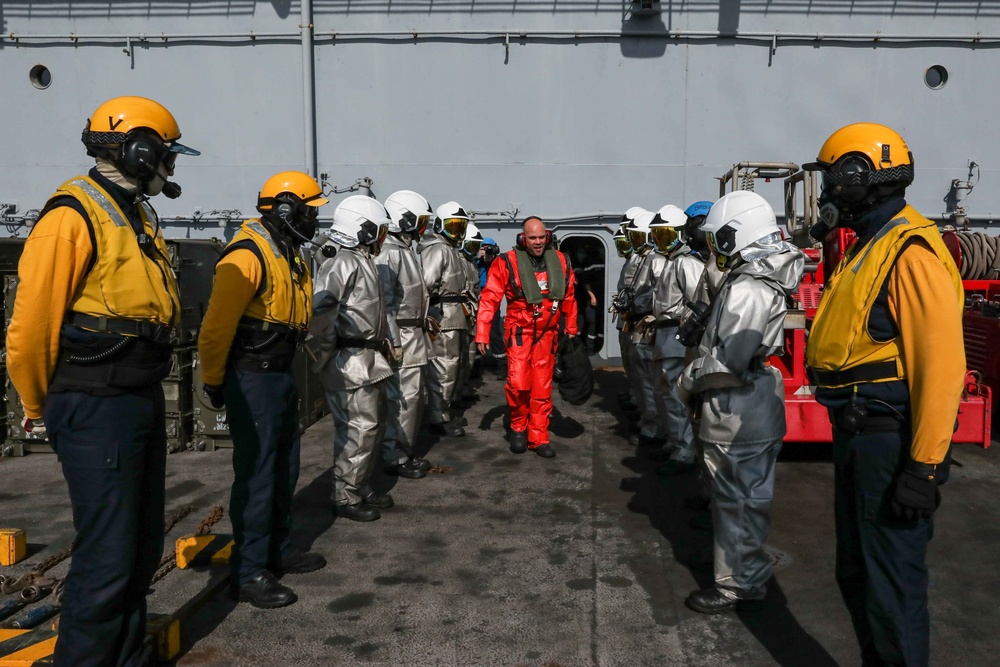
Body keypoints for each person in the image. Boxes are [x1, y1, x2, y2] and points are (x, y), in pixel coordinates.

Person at [6, 96, 198, 665]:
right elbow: (31, 325)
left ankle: (126, 656)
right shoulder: (72, 215)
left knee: (139, 550)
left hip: (133, 395)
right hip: (92, 401)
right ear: (139, 151)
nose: (170, 166)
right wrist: (39, 404)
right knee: (108, 556)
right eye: (165, 154)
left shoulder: (135, 212)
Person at [803, 123, 965, 666]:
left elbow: (940, 367)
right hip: (856, 434)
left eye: (832, 179)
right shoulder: (869, 246)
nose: (827, 192)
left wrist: (923, 470)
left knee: (891, 585)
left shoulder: (909, 251)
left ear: (857, 176)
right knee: (858, 575)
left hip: (886, 441)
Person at [199, 171, 329, 609]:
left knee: (283, 469)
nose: (315, 220)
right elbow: (216, 328)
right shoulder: (248, 254)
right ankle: (250, 569)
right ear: (287, 209)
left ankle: (278, 549)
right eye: (311, 211)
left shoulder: (285, 252)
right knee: (257, 475)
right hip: (252, 377)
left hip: (278, 375)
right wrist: (214, 381)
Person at [678, 190, 804, 614]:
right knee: (738, 499)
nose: (714, 250)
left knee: (741, 501)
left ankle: (740, 583)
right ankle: (735, 568)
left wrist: (687, 380)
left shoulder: (748, 288)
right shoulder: (758, 279)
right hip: (748, 405)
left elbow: (726, 361)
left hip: (738, 410)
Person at [312, 195, 395, 522]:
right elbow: (321, 313)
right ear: (364, 230)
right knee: (357, 429)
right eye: (379, 230)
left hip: (366, 359)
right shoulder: (342, 262)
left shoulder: (359, 261)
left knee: (371, 426)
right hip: (351, 360)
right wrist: (331, 350)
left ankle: (359, 485)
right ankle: (345, 494)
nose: (382, 237)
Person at [475, 216, 578, 457]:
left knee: (542, 387)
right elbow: (490, 298)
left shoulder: (561, 261)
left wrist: (571, 330)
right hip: (519, 331)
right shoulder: (506, 262)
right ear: (523, 239)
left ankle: (539, 437)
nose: (538, 242)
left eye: (542, 237)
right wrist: (482, 332)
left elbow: (570, 297)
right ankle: (518, 428)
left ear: (548, 237)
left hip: (548, 333)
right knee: (519, 383)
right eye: (533, 238)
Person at [375, 190, 436, 480]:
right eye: (420, 221)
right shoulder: (389, 252)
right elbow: (384, 302)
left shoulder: (402, 250)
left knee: (412, 398)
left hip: (413, 335)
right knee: (405, 400)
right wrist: (394, 343)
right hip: (404, 337)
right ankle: (396, 456)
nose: (423, 227)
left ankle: (401, 451)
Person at [649, 204, 700, 475]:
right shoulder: (671, 261)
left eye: (665, 235)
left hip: (676, 334)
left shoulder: (686, 263)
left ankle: (685, 450)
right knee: (664, 393)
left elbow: (698, 302)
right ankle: (674, 442)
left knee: (676, 394)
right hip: (664, 332)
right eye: (657, 236)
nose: (660, 242)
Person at [419, 201, 471, 437]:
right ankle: (437, 417)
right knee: (444, 368)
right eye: (453, 226)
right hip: (444, 317)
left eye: (461, 227)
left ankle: (444, 411)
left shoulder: (450, 250)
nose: (457, 232)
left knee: (452, 367)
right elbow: (426, 284)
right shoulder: (438, 250)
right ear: (439, 225)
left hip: (454, 315)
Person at [624, 210, 670, 447]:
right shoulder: (646, 259)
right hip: (639, 322)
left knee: (650, 380)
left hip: (649, 324)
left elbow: (661, 295)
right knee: (643, 378)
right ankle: (648, 421)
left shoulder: (657, 261)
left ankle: (654, 428)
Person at [612, 209, 646, 412]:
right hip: (626, 317)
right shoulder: (633, 258)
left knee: (638, 364)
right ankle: (634, 392)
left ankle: (639, 401)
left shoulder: (642, 258)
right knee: (628, 358)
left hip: (636, 319)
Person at [456, 221, 484, 404]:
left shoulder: (471, 263)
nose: (473, 249)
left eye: (476, 245)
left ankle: (463, 386)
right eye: (471, 245)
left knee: (469, 355)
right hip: (461, 315)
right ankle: (455, 393)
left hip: (472, 314)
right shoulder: (458, 261)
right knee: (459, 356)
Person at [477, 237, 506, 363]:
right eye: (484, 248)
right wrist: (478, 259)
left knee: (494, 332)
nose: (487, 251)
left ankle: (501, 363)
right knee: (476, 331)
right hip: (478, 297)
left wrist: (490, 260)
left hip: (493, 299)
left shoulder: (498, 263)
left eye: (489, 248)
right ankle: (476, 364)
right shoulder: (476, 262)